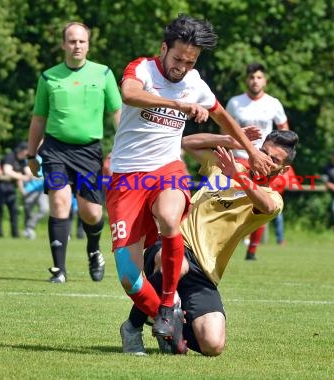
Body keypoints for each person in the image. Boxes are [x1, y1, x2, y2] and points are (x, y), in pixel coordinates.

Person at [107, 14, 274, 344]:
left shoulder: (195, 83)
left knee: (170, 218)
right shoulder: (142, 69)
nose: (181, 66)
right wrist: (178, 105)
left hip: (167, 168)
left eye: (190, 61)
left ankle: (168, 305)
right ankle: (153, 323)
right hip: (127, 178)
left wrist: (251, 153)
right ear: (164, 48)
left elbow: (223, 117)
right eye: (177, 58)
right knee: (129, 278)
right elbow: (128, 94)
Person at [119, 129, 299, 356]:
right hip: (173, 244)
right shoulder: (224, 165)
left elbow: (267, 207)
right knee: (178, 265)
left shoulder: (272, 197)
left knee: (213, 345)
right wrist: (228, 139)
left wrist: (238, 176)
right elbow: (186, 143)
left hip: (205, 271)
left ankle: (172, 327)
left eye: (274, 160)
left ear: (282, 170)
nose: (265, 160)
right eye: (262, 152)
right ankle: (132, 327)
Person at [26, 21, 122, 283]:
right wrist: (31, 154)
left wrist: (120, 150)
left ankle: (93, 249)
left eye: (81, 41)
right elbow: (38, 119)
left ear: (88, 44)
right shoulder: (48, 77)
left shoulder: (103, 74)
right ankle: (59, 270)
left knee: (91, 213)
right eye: (71, 41)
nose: (76, 45)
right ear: (63, 45)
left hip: (89, 151)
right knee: (59, 201)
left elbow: (118, 114)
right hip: (55, 149)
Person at [225, 62, 290, 260]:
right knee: (231, 203)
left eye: (259, 77)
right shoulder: (235, 102)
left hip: (265, 164)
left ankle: (252, 250)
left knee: (261, 207)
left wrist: (282, 161)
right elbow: (225, 130)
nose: (255, 81)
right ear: (247, 80)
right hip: (240, 158)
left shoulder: (273, 103)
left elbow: (285, 131)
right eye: (252, 77)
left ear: (265, 80)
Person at [0, 142, 31, 238]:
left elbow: (28, 172)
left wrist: (33, 176)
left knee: (14, 210)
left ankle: (15, 234)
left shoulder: (23, 160)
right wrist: (21, 176)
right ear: (22, 150)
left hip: (10, 187)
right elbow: (7, 171)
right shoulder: (10, 156)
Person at [22, 155, 49, 240]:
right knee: (28, 211)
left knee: (44, 209)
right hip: (30, 189)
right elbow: (28, 172)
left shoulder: (48, 157)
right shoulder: (31, 157)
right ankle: (28, 231)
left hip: (42, 190)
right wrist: (41, 177)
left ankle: (30, 226)